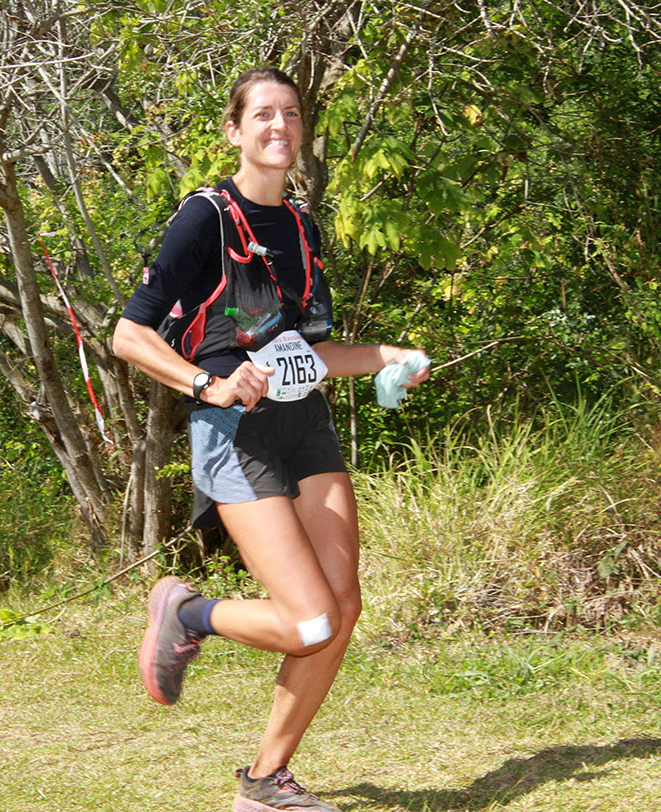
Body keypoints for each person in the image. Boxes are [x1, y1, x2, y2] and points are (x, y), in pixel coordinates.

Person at [112, 67, 429, 812]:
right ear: (235, 130)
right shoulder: (205, 219)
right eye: (262, 114)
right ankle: (188, 614)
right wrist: (205, 383)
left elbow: (304, 353)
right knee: (307, 619)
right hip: (235, 434)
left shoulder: (302, 226)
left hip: (305, 426)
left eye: (291, 113)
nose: (279, 125)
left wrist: (388, 357)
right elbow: (129, 334)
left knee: (341, 609)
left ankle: (263, 783)